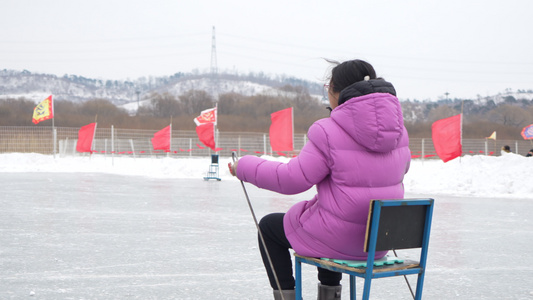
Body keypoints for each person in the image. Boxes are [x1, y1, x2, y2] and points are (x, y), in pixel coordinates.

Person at [228, 59, 411, 300]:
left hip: (339, 240)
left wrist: (244, 166)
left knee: (270, 227)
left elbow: (291, 179)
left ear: (337, 91)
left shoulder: (328, 130)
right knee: (324, 220)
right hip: (376, 244)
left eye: (328, 87)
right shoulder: (399, 134)